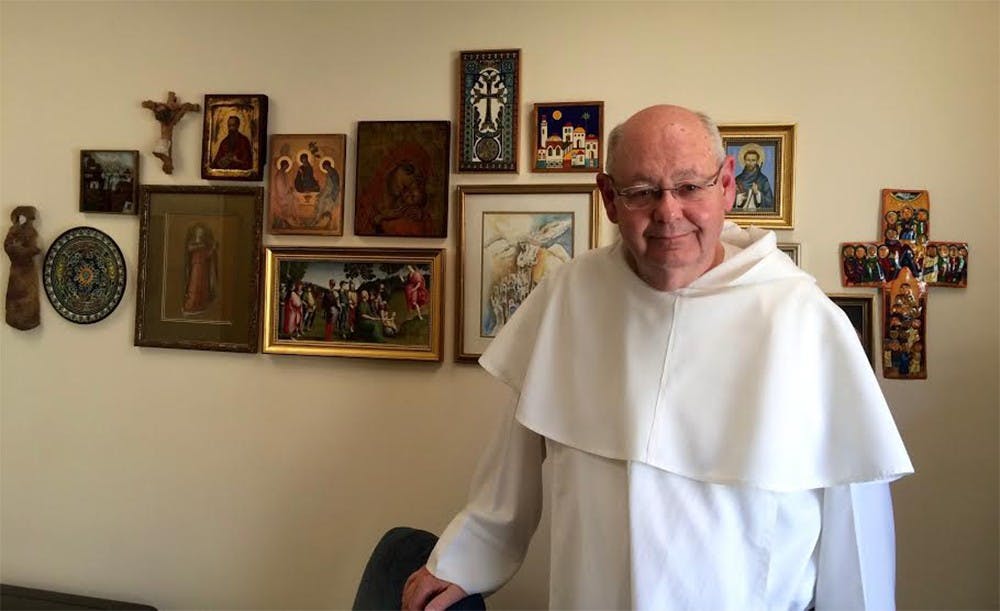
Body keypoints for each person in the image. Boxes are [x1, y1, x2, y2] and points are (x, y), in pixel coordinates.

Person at [402, 105, 913, 610]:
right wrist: (463, 560)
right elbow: (510, 467)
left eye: (690, 187)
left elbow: (857, 536)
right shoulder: (570, 295)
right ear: (608, 198)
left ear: (727, 184)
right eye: (642, 192)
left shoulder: (804, 319)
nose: (668, 213)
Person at [181, 223, 217, 315]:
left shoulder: (204, 244)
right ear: (196, 233)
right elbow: (190, 248)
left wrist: (212, 249)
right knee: (194, 285)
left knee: (203, 286)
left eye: (201, 232)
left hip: (203, 268)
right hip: (196, 267)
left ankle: (200, 305)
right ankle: (190, 306)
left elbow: (207, 255)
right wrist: (201, 246)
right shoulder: (194, 243)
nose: (200, 234)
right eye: (198, 232)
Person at [733, 145, 774, 211]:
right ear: (744, 161)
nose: (750, 163)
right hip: (741, 216)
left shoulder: (762, 179)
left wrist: (758, 193)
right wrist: (738, 198)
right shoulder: (738, 179)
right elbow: (728, 201)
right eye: (748, 160)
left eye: (753, 160)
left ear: (757, 161)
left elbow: (770, 202)